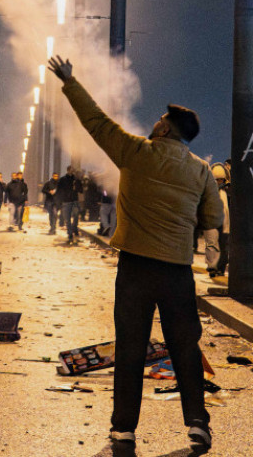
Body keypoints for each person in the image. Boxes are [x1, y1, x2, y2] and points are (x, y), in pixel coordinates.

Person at [48, 55, 221, 449]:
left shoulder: (135, 152)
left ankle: (124, 429)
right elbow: (212, 216)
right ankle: (197, 422)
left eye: (162, 118)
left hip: (136, 269)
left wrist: (70, 82)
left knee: (130, 347)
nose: (157, 121)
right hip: (177, 271)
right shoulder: (201, 171)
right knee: (184, 346)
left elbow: (95, 120)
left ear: (165, 127)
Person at [204, 162, 230, 278]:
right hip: (214, 221)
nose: (219, 182)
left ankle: (218, 268)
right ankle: (214, 268)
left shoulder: (226, 192)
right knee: (214, 245)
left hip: (221, 222)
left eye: (221, 180)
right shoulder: (212, 191)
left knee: (221, 246)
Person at [56, 165, 82, 244]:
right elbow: (59, 191)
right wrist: (59, 202)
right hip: (66, 201)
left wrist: (76, 187)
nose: (72, 171)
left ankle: (74, 228)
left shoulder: (76, 180)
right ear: (68, 170)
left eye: (73, 170)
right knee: (67, 219)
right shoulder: (62, 180)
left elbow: (81, 190)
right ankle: (70, 234)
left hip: (74, 200)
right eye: (71, 170)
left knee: (76, 215)